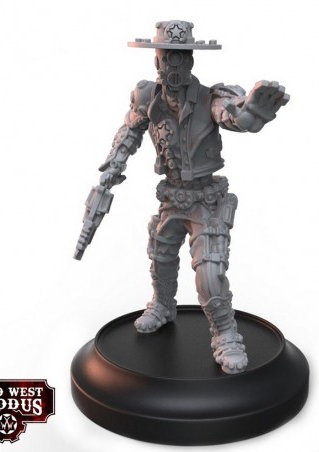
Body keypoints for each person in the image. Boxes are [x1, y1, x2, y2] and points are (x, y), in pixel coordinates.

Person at [98, 20, 289, 374]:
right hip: (171, 196)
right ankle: (163, 305)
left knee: (210, 273)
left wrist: (251, 114)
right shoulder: (146, 97)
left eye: (181, 59)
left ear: (191, 61)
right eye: (167, 58)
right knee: (161, 256)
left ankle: (226, 333)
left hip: (206, 199)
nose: (174, 67)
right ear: (156, 61)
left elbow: (234, 115)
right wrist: (113, 165)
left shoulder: (210, 97)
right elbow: (129, 131)